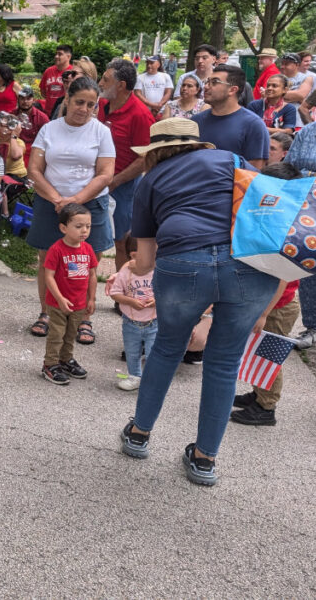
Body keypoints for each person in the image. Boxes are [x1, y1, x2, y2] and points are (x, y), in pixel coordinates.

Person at [118, 117, 278, 487]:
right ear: (197, 144)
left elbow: (144, 261)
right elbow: (265, 205)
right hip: (249, 266)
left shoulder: (151, 180)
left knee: (166, 349)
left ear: (155, 151)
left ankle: (139, 435)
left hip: (183, 265)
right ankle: (204, 459)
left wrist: (125, 269)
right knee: (223, 364)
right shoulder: (232, 159)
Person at [26, 78, 115, 340]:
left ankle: (83, 317)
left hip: (90, 203)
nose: (84, 109)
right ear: (67, 99)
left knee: (87, 262)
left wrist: (74, 200)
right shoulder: (49, 130)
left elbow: (105, 174)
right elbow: (34, 170)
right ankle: (47, 312)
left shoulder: (101, 132)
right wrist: (57, 199)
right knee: (47, 260)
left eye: (91, 104)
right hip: (50, 201)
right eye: (79, 102)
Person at [230, 162, 303, 427]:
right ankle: (259, 393)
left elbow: (283, 277)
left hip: (278, 305)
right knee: (257, 352)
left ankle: (266, 407)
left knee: (269, 356)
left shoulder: (287, 227)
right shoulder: (282, 216)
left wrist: (262, 313)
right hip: (270, 301)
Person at [99, 58, 155, 274]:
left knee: (123, 240)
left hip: (124, 187)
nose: (101, 83)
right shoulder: (102, 105)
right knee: (91, 235)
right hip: (99, 180)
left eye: (105, 79)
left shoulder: (141, 115)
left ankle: (122, 295)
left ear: (121, 85)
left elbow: (144, 158)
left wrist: (116, 181)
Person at [39, 202, 97, 385]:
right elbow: (49, 276)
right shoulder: (57, 249)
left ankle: (65, 360)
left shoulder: (87, 249)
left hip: (78, 303)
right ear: (63, 228)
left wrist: (92, 298)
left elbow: (92, 274)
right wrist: (59, 298)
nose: (84, 231)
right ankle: (50, 364)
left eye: (88, 226)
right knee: (57, 334)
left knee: (71, 334)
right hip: (57, 303)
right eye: (78, 226)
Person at [285, 118, 316, 349]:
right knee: (310, 265)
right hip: (309, 209)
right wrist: (314, 175)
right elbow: (290, 167)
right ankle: (314, 326)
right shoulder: (309, 132)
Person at [192, 65, 269, 169]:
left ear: (232, 90)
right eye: (207, 82)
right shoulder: (195, 121)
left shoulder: (253, 125)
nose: (206, 87)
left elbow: (254, 171)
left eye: (214, 82)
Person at [108, 236, 156, 391]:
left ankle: (151, 380)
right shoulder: (126, 271)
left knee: (153, 354)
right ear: (133, 255)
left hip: (154, 322)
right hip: (130, 322)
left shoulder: (158, 269)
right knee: (131, 352)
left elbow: (168, 292)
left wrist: (156, 300)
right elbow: (115, 293)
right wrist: (130, 301)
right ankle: (135, 376)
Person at [12, 86, 48, 165]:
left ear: (33, 100)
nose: (25, 102)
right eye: (22, 98)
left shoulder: (42, 118)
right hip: (15, 147)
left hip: (33, 151)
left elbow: (47, 140)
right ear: (18, 99)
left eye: (28, 99)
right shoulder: (12, 114)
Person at [38, 44, 73, 115]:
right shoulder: (48, 71)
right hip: (48, 112)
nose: (56, 56)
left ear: (68, 57)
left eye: (60, 54)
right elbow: (43, 91)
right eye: (56, 54)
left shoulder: (73, 72)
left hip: (65, 112)